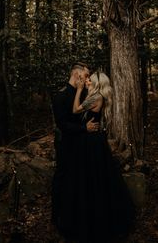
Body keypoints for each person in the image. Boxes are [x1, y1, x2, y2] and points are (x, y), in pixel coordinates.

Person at [73, 71, 136, 243]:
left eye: (89, 79)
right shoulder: (95, 95)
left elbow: (75, 109)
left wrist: (79, 90)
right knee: (97, 175)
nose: (86, 81)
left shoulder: (96, 97)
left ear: (95, 83)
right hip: (93, 140)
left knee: (97, 176)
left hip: (93, 142)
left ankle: (101, 220)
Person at [51, 62, 100, 241]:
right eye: (85, 75)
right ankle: (59, 218)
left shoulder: (86, 93)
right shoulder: (61, 96)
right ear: (77, 74)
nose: (87, 79)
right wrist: (83, 129)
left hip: (84, 146)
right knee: (63, 178)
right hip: (67, 146)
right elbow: (62, 124)